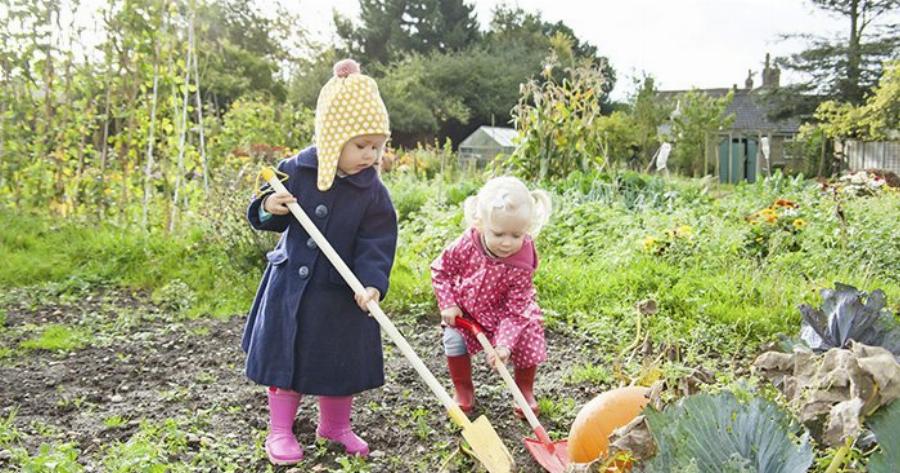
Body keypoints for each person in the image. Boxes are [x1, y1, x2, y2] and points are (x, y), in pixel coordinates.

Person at [242, 58, 397, 465]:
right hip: (291, 287)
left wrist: (371, 283)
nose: (370, 155)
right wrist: (271, 206)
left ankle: (335, 426)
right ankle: (280, 430)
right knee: (286, 359)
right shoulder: (297, 170)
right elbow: (264, 213)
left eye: (376, 147)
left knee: (338, 360)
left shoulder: (372, 192)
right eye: (360, 146)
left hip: (339, 294)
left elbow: (377, 242)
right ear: (332, 138)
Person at [431, 176, 552, 417]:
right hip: (467, 310)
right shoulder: (466, 244)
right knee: (454, 340)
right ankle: (463, 389)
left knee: (528, 335)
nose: (507, 243)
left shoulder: (523, 260)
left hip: (506, 315)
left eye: (516, 235)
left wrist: (505, 344)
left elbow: (517, 309)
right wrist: (449, 304)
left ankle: (524, 390)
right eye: (498, 234)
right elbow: (440, 269)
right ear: (480, 223)